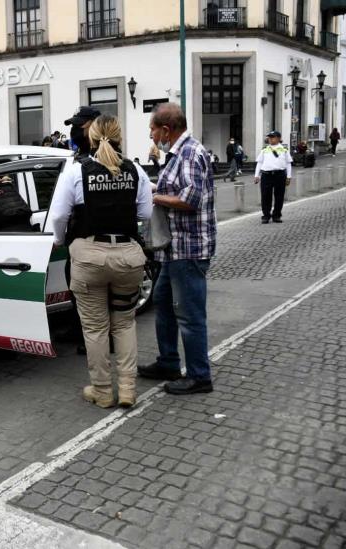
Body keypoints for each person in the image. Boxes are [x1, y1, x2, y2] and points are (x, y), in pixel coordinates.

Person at [49, 115, 152, 408]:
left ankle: (103, 391)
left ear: (91, 138)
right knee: (124, 324)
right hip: (128, 257)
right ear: (120, 136)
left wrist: (60, 240)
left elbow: (58, 216)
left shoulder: (76, 171)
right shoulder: (135, 170)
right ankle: (129, 389)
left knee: (94, 328)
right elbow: (145, 214)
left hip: (90, 256)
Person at [140, 102, 217, 395]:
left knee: (189, 314)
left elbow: (190, 199)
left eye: (152, 129)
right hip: (174, 250)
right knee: (163, 304)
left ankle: (200, 376)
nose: (151, 134)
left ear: (166, 129)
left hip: (189, 249)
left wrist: (154, 196)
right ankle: (169, 361)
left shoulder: (189, 153)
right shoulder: (176, 154)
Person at [64, 106, 102, 354]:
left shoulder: (98, 160)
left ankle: (95, 339)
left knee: (93, 293)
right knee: (77, 285)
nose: (75, 130)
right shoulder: (78, 159)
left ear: (94, 125)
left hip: (92, 234)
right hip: (79, 235)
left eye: (80, 125)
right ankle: (78, 328)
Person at [254, 130, 292, 224]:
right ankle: (266, 215)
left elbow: (288, 164)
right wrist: (256, 175)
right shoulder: (264, 149)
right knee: (265, 196)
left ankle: (277, 215)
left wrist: (289, 176)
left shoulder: (284, 150)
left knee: (279, 196)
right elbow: (259, 163)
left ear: (278, 138)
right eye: (269, 137)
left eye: (273, 137)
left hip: (280, 175)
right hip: (266, 175)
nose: (270, 139)